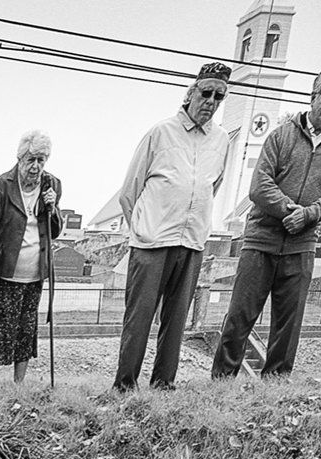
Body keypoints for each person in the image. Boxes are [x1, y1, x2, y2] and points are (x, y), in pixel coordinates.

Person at [212, 65, 321, 381]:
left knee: (288, 324)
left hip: (301, 243)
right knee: (239, 317)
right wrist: (289, 210)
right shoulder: (281, 135)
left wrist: (307, 216)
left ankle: (275, 385)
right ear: (313, 95)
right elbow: (259, 185)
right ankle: (221, 383)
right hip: (261, 238)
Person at [111, 63, 233, 391]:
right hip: (152, 241)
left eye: (218, 96)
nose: (210, 100)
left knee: (176, 321)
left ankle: (163, 382)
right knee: (139, 319)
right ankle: (125, 385)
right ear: (191, 93)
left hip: (191, 242)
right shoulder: (160, 132)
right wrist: (141, 230)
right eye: (205, 92)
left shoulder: (221, 141)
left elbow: (212, 187)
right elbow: (130, 191)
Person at [0, 131, 62, 383]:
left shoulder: (52, 185)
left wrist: (53, 208)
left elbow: (55, 231)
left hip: (35, 274)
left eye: (42, 160)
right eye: (31, 159)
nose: (36, 166)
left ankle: (19, 384)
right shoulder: (3, 185)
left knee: (26, 330)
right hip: (6, 271)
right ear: (20, 158)